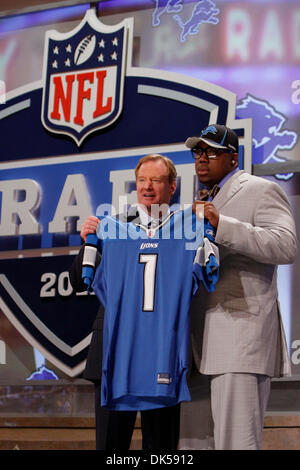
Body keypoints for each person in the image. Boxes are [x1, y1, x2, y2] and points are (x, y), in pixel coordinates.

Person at [69, 153, 218, 450]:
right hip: (115, 354)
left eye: (156, 180)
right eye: (142, 180)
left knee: (161, 447)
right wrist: (88, 240)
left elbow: (208, 274)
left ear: (172, 186)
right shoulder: (110, 226)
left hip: (163, 351)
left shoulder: (188, 228)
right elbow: (79, 281)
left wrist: (210, 227)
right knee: (111, 447)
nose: (147, 187)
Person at [180, 124, 297, 450]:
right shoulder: (198, 200)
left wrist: (222, 224)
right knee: (192, 446)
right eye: (197, 152)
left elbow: (285, 246)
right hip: (194, 344)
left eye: (211, 151)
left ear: (233, 158)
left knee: (236, 444)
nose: (202, 159)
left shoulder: (261, 189)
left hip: (239, 338)